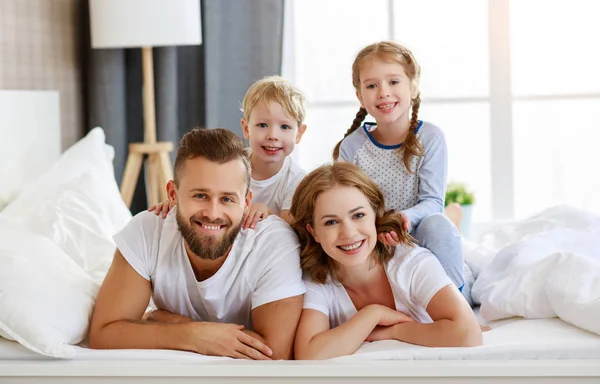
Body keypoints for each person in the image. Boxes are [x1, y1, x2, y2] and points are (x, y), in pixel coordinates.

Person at [89, 127, 305, 360]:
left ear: (246, 201)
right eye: (200, 195)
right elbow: (104, 333)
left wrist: (171, 321)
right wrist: (193, 334)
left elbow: (275, 354)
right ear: (172, 194)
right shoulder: (147, 230)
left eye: (227, 199)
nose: (213, 213)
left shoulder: (274, 243)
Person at [289, 162, 482, 360]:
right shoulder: (318, 279)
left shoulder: (410, 263)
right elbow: (308, 354)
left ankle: (455, 226)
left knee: (468, 272)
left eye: (358, 215)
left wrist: (393, 331)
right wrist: (373, 314)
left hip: (462, 274)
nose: (349, 233)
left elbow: (469, 335)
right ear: (313, 232)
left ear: (375, 214)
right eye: (331, 222)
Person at [332, 41, 468, 297]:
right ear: (360, 96)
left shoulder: (430, 137)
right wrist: (377, 227)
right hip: (373, 235)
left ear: (413, 87)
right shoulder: (352, 147)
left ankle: (459, 303)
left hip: (417, 231)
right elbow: (343, 205)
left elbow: (431, 202)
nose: (383, 92)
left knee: (439, 224)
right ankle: (456, 221)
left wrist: (403, 220)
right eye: (371, 85)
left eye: (393, 82)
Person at [150, 76, 307, 230]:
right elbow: (202, 191)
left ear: (299, 133)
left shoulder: (297, 181)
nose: (273, 135)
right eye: (262, 125)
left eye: (285, 127)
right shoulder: (230, 163)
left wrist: (268, 213)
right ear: (246, 128)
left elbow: (290, 233)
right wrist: (176, 203)